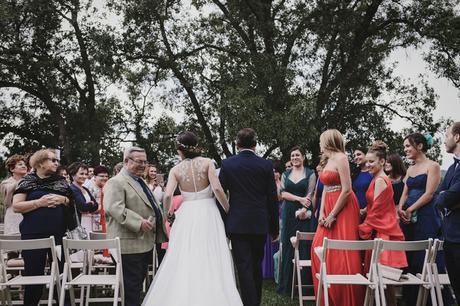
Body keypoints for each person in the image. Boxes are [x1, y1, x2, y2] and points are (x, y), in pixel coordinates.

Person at [142, 131, 243, 306]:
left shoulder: (175, 169)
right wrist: (227, 209)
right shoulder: (207, 163)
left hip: (186, 214)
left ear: (179, 150)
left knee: (184, 254)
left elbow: (167, 196)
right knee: (212, 252)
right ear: (196, 145)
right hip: (208, 212)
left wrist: (169, 214)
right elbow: (218, 189)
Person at [218, 128, 278, 306]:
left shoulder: (227, 164)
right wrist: (274, 227)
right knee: (256, 265)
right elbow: (272, 197)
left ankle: (248, 302)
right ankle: (254, 302)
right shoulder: (266, 165)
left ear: (237, 145)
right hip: (259, 223)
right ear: (255, 144)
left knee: (243, 267)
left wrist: (223, 223)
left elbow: (220, 196)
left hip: (236, 223)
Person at [105, 147, 168, 306]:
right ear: (126, 161)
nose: (143, 165)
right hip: (128, 244)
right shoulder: (116, 182)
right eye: (139, 162)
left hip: (143, 242)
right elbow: (114, 208)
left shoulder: (139, 181)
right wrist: (138, 222)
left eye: (145, 162)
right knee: (131, 287)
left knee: (137, 284)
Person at [12, 149, 76, 305]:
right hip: (33, 235)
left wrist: (63, 200)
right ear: (40, 163)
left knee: (62, 273)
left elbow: (72, 203)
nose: (56, 163)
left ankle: (63, 303)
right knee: (34, 274)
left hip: (58, 235)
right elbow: (16, 206)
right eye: (52, 160)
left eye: (56, 160)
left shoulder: (61, 181)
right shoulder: (27, 181)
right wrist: (39, 203)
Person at [311, 129, 364, 306]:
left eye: (321, 140)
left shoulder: (341, 158)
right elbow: (326, 187)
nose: (320, 144)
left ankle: (346, 298)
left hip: (344, 207)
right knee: (318, 247)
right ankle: (327, 297)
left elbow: (347, 189)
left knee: (342, 252)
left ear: (328, 140)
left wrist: (333, 214)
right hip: (329, 206)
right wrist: (323, 211)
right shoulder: (328, 160)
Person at [398, 132, 452, 305]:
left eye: (408, 146)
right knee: (410, 256)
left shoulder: (433, 166)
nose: (405, 149)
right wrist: (401, 208)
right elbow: (405, 192)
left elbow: (429, 194)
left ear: (419, 146)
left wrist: (411, 209)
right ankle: (411, 300)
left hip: (426, 216)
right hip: (407, 218)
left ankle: (432, 300)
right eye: (405, 146)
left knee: (424, 257)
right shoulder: (410, 169)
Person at [358, 141, 407, 306]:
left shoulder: (380, 180)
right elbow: (374, 205)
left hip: (384, 230)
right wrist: (362, 211)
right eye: (367, 161)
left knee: (385, 281)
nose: (368, 164)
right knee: (382, 281)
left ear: (382, 162)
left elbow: (378, 211)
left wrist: (362, 228)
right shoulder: (377, 178)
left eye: (371, 161)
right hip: (381, 227)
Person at [277, 146, 316, 296]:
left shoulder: (310, 173)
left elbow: (310, 193)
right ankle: (287, 286)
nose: (294, 158)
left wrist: (304, 210)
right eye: (292, 155)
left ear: (303, 157)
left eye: (297, 155)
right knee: (288, 246)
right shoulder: (286, 174)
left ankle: (305, 286)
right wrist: (299, 199)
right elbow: (283, 194)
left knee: (304, 245)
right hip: (288, 213)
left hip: (304, 213)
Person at [434, 122, 460, 303]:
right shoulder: (451, 169)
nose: (444, 140)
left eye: (446, 135)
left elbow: (450, 196)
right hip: (450, 237)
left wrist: (448, 197)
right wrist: (448, 197)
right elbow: (439, 197)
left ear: (457, 137)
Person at [261, 161, 283, 279]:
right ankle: (268, 270)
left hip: (282, 211)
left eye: (276, 172)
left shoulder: (283, 183)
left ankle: (278, 268)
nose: (274, 174)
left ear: (280, 173)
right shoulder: (268, 184)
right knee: (270, 239)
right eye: (273, 172)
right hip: (272, 212)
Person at [68, 162, 99, 233]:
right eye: (81, 174)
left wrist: (90, 205)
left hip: (89, 223)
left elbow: (96, 205)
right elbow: (82, 207)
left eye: (86, 174)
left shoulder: (85, 189)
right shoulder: (72, 189)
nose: (84, 176)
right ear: (73, 175)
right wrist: (91, 204)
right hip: (79, 224)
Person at [1, 154, 27, 235]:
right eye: (20, 164)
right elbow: (6, 203)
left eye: (24, 164)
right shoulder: (5, 183)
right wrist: (23, 180)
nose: (24, 166)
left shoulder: (29, 181)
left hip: (27, 215)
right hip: (13, 216)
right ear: (12, 169)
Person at [352, 146, 373, 216]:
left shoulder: (373, 172)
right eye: (354, 156)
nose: (356, 157)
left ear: (366, 155)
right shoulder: (354, 173)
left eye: (359, 154)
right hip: (355, 211)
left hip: (369, 212)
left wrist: (365, 210)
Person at [88, 165, 109, 232]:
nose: (104, 178)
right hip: (94, 224)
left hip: (107, 223)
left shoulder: (109, 189)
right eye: (102, 176)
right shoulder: (90, 189)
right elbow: (89, 209)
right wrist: (103, 207)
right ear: (95, 177)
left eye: (106, 176)